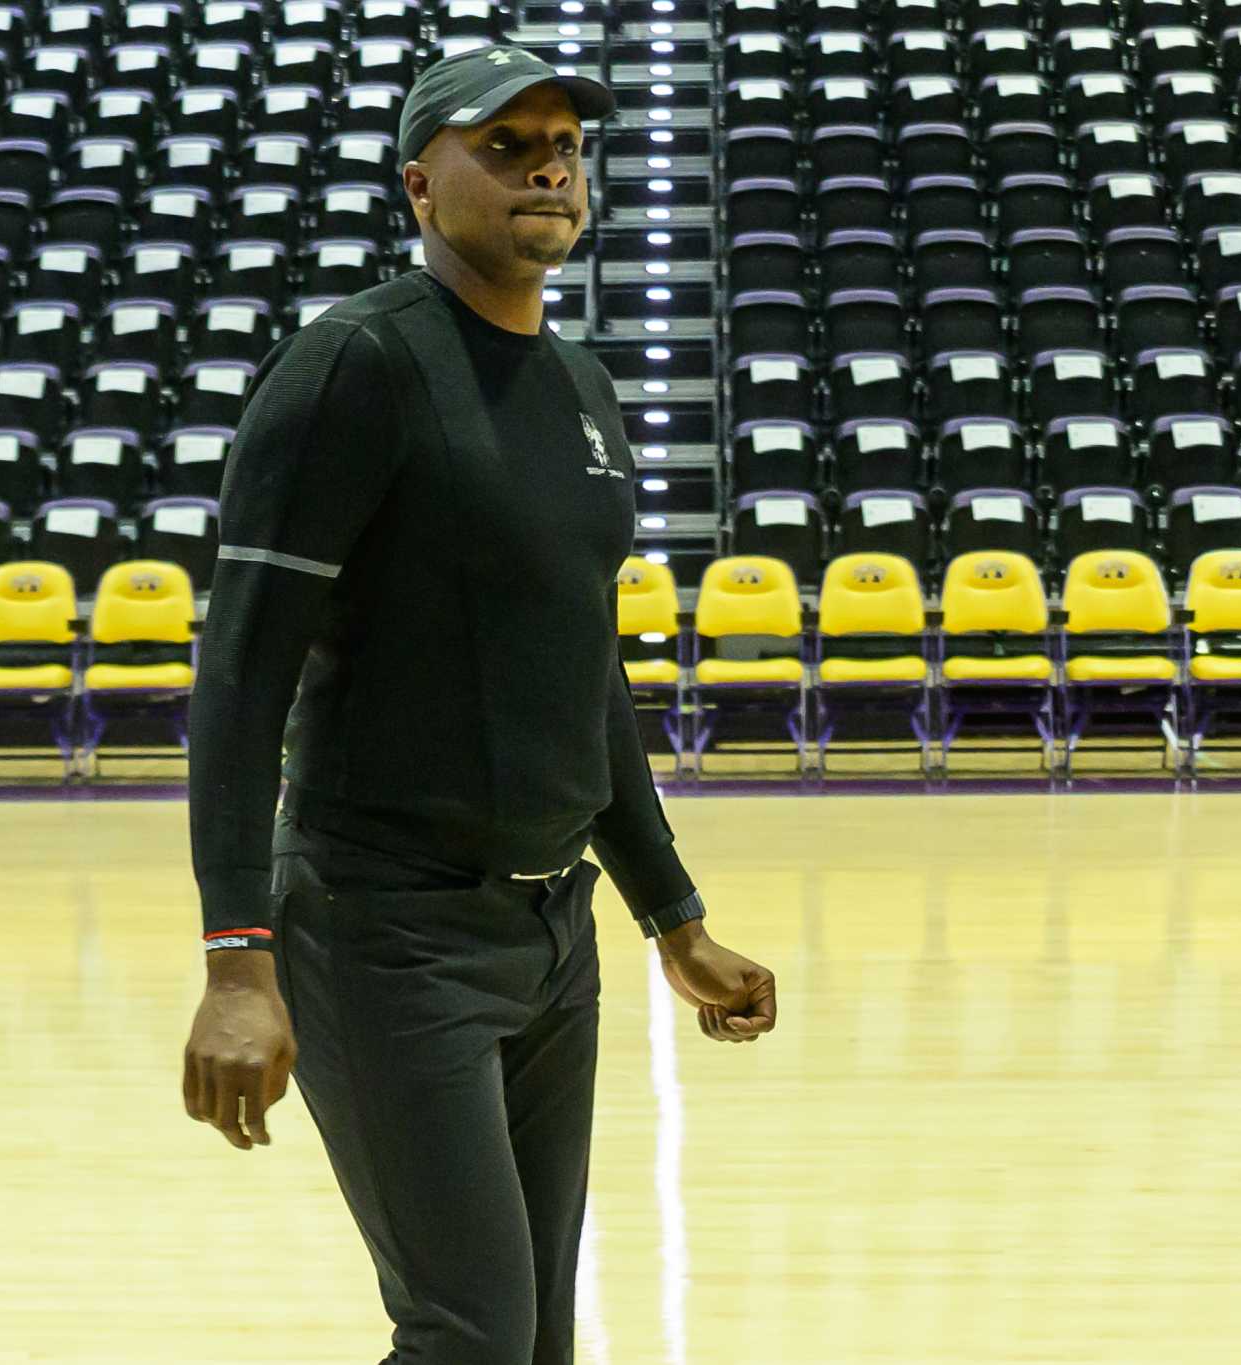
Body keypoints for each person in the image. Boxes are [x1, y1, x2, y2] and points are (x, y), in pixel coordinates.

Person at [180, 45, 779, 1364]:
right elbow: (238, 679)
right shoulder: (354, 369)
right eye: (504, 146)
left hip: (551, 934)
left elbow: (583, 675)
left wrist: (672, 919)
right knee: (469, 1334)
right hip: (386, 927)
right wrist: (237, 960)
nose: (550, 163)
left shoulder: (584, 390)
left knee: (536, 1336)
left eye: (565, 142)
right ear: (420, 185)